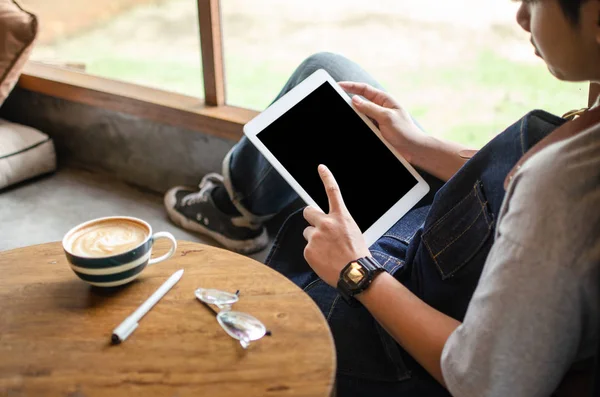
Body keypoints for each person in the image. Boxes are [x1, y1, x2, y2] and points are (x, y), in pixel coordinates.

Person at [164, 0, 599, 396]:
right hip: (455, 238)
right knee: (329, 74)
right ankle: (232, 207)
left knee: (220, 335)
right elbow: (511, 173)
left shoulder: (561, 189)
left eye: (537, 1)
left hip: (411, 336)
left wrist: (356, 270)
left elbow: (482, 379)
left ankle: (233, 212)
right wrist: (421, 147)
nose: (522, 16)